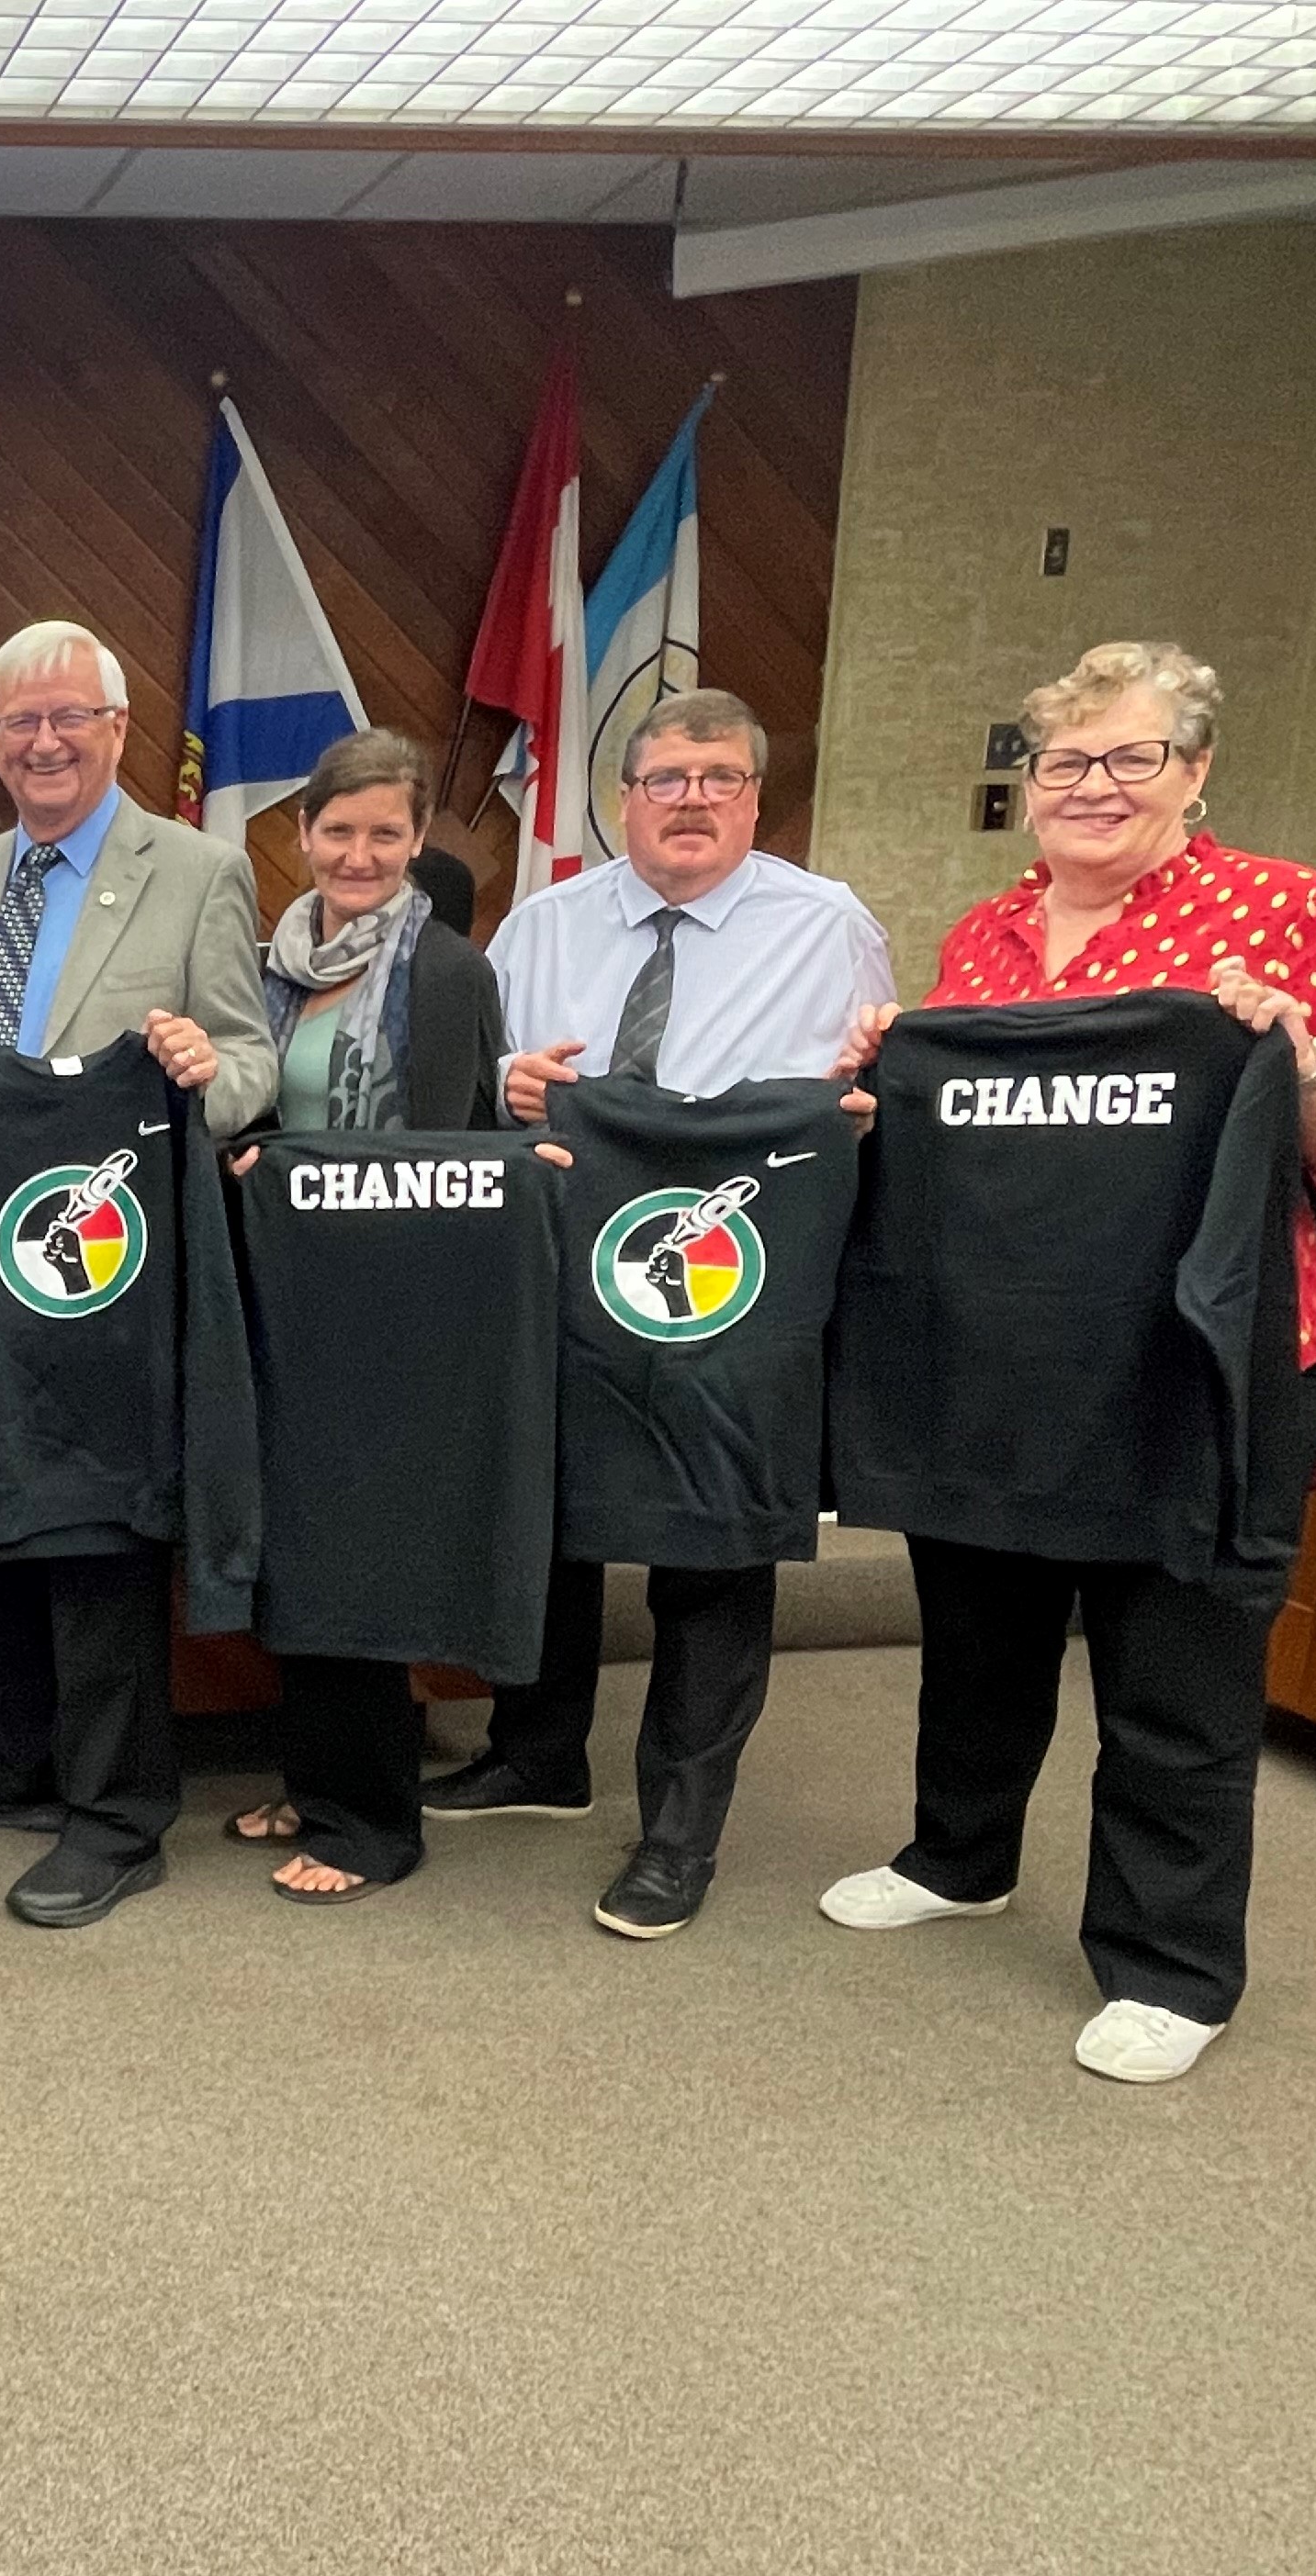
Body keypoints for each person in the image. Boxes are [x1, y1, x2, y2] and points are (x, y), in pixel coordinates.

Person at [820, 641, 1316, 2084]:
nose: (1094, 788)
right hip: (1003, 1356)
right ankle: (958, 1853)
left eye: (1131, 759)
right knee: (978, 1630)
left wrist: (1295, 1058)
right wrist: (886, 1084)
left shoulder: (1286, 912)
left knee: (1176, 1668)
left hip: (1200, 1360)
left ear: (1195, 770)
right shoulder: (983, 938)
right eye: (1065, 763)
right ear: (1029, 785)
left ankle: (1171, 1963)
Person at [429, 687, 896, 1939]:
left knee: (709, 1545)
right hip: (570, 1255)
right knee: (552, 1513)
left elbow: (868, 1092)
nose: (691, 802)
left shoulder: (828, 923)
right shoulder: (547, 922)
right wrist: (516, 1087)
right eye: (665, 781)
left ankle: (679, 1834)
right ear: (622, 799)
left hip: (732, 1272)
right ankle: (539, 1751)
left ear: (755, 798)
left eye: (719, 780)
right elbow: (489, 1086)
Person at [0, 618, 276, 1923]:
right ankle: (16, 1760)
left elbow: (252, 1056)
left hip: (112, 1270)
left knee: (98, 1530)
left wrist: (210, 1076)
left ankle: (117, 1815)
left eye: (69, 720)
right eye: (17, 726)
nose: (43, 744)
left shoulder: (203, 871)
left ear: (116, 731)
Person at [219, 726, 512, 1899]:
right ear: (300, 837)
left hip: (395, 1310)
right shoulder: (264, 967)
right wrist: (247, 1156)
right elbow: (250, 1111)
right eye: (337, 830)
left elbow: (457, 1152)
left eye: (385, 832)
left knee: (366, 1557)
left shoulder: (448, 975)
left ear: (416, 841)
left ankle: (374, 1821)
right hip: (283, 1293)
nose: (359, 852)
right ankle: (316, 1774)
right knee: (297, 1550)